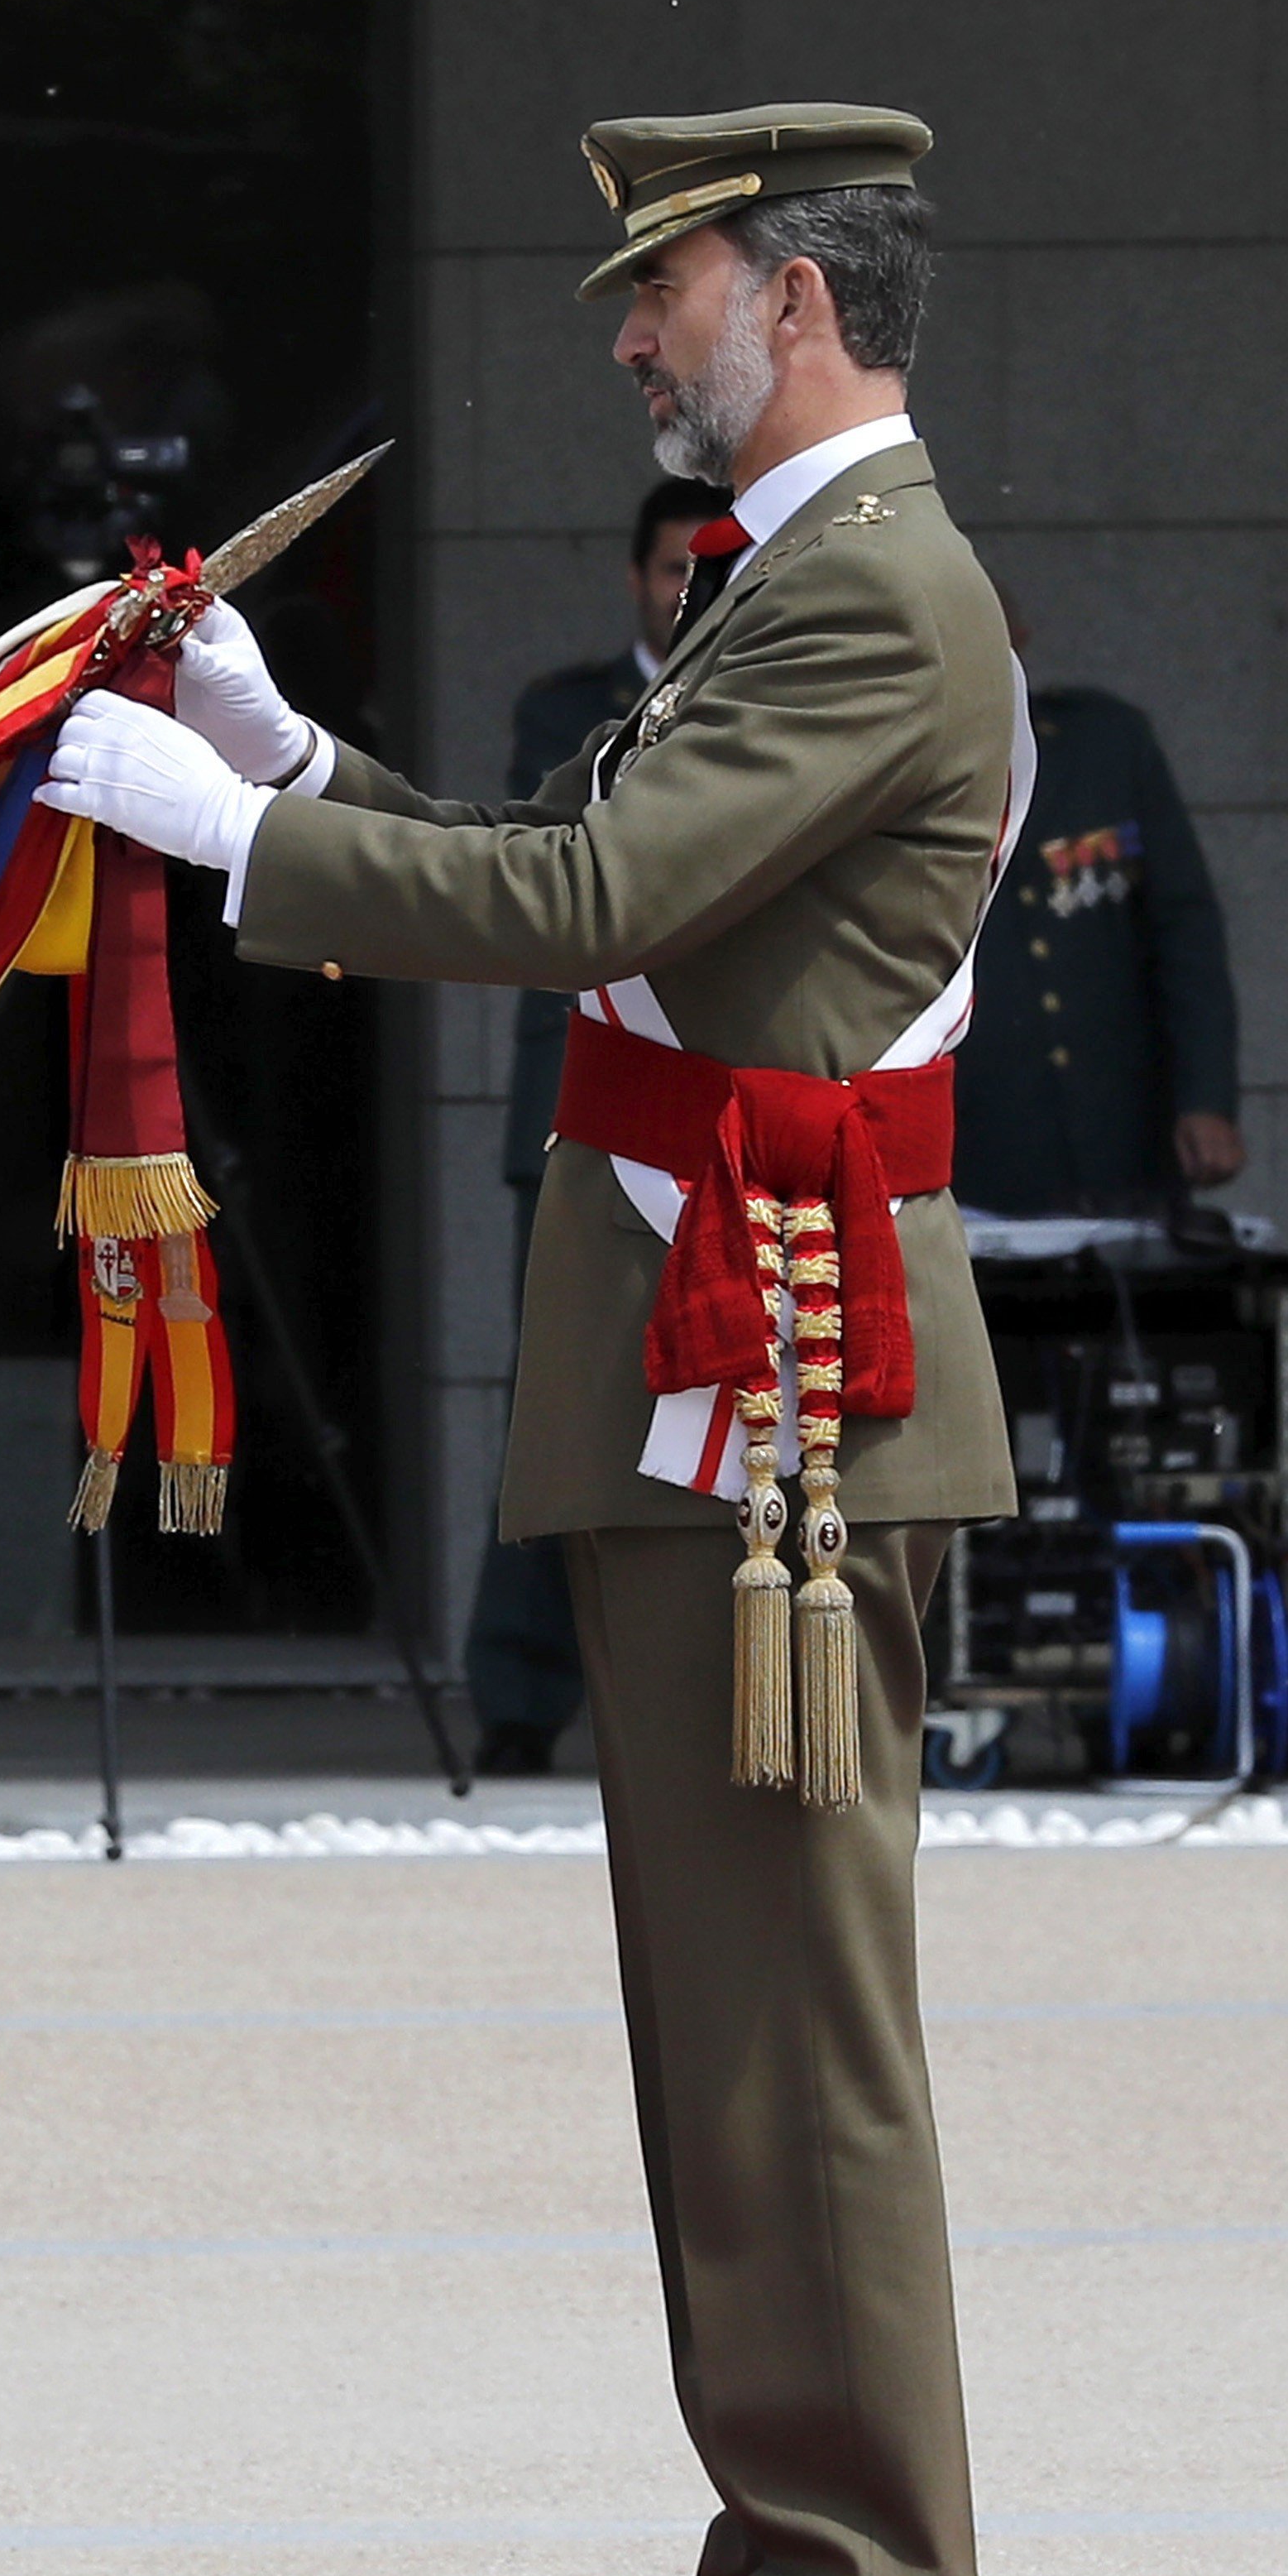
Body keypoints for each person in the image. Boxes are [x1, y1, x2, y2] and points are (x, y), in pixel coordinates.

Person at [42, 102, 1014, 2576]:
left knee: (789, 2037)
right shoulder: (794, 585)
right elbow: (580, 864)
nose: (630, 335)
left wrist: (228, 833)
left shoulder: (868, 592)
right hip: (725, 1367)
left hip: (782, 1378)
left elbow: (583, 911)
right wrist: (297, 757)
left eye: (664, 288)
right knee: (725, 2036)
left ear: (794, 294)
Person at [468, 477, 733, 1776]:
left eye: (711, 568)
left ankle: (705, 1702)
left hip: (719, 1103)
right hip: (579, 1110)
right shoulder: (572, 708)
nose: (688, 591)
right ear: (633, 578)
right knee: (558, 1408)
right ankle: (518, 1697)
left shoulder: (772, 698)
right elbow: (563, 865)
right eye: (672, 569)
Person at [951, 612, 1243, 1215]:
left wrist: (1206, 1099)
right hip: (978, 1148)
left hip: (1124, 1132)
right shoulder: (900, 771)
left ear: (1017, 640)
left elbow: (1184, 933)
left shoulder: (1105, 744)